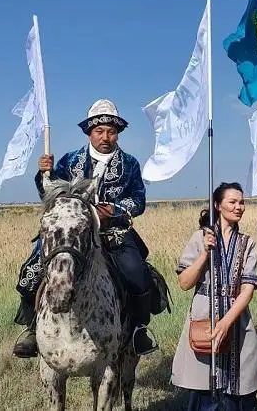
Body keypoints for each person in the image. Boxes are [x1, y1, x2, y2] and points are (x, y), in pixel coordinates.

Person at [12, 98, 159, 358]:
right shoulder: (69, 161)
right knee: (30, 273)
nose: (105, 137)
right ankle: (33, 330)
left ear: (118, 134)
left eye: (111, 132)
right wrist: (44, 174)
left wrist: (115, 209)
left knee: (137, 274)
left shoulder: (131, 164)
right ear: (89, 132)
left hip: (113, 233)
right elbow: (50, 194)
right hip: (70, 232)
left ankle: (138, 330)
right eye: (99, 131)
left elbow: (139, 199)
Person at [171, 182, 257, 411]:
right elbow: (184, 283)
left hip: (237, 318)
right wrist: (205, 253)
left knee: (241, 385)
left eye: (241, 202)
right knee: (204, 385)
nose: (239, 207)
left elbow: (248, 290)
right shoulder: (199, 237)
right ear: (218, 205)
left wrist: (225, 322)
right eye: (232, 202)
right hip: (204, 316)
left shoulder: (248, 243)